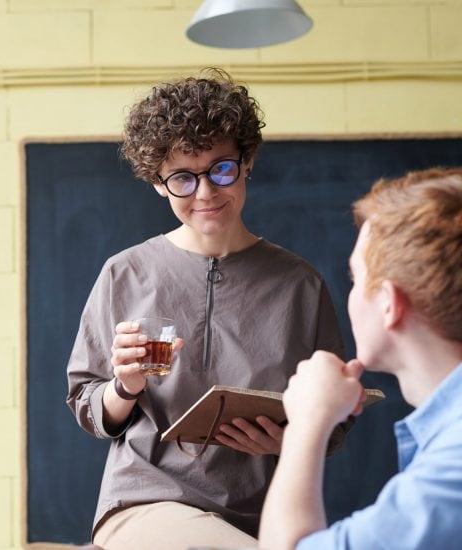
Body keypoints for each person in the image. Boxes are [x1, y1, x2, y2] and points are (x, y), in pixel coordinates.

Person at [65, 69, 345, 549]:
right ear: (158, 182)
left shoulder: (301, 284)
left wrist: (286, 440)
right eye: (181, 178)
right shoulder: (123, 273)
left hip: (265, 517)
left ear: (247, 160)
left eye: (221, 169)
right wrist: (125, 386)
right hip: (146, 503)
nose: (205, 193)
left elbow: (333, 424)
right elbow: (89, 409)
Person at [259, 168, 462, 549]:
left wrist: (308, 423)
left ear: (389, 304)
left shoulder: (452, 469)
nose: (350, 295)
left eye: (355, 278)